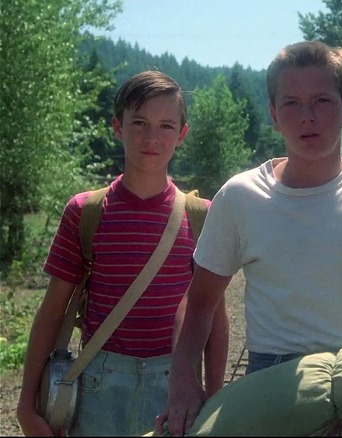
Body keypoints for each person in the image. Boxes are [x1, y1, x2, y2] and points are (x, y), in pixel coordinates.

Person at [163, 40, 342, 436]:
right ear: (274, 114)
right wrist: (184, 382)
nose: (308, 116)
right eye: (291, 103)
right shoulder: (239, 197)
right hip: (273, 388)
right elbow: (200, 303)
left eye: (322, 101)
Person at [15, 70, 230, 436]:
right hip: (97, 388)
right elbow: (52, 310)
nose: (151, 137)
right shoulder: (86, 212)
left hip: (173, 390)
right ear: (117, 126)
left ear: (182, 134)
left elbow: (214, 316)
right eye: (139, 122)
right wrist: (26, 404)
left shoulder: (202, 217)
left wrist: (213, 400)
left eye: (165, 126)